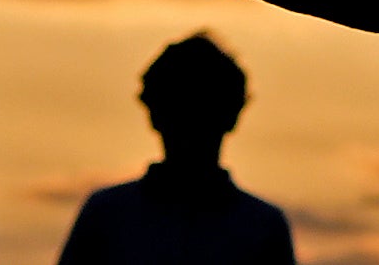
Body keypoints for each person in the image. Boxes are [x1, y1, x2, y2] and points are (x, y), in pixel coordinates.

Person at [55, 37, 293, 265]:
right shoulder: (105, 216)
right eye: (179, 106)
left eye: (203, 107)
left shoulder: (107, 215)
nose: (191, 122)